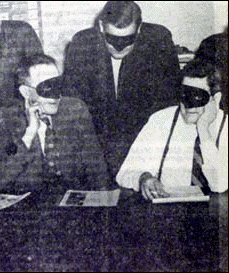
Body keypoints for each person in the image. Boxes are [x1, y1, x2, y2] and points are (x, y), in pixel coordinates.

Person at [63, 1, 182, 177]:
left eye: (127, 40)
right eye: (112, 39)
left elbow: (167, 105)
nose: (119, 47)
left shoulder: (158, 42)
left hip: (145, 144)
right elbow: (75, 109)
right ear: (101, 27)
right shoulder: (82, 45)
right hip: (97, 146)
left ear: (139, 29)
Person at [0, 54, 112, 194]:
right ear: (26, 92)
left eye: (58, 85)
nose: (56, 96)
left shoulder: (75, 110)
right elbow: (0, 180)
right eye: (46, 88)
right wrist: (30, 133)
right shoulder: (8, 118)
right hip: (30, 208)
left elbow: (98, 171)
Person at [116, 63, 228, 200]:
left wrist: (204, 132)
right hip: (171, 215)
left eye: (198, 97)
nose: (188, 105)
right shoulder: (161, 121)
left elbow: (221, 184)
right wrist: (143, 178)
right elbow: (124, 173)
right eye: (184, 95)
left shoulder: (226, 127)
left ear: (215, 100)